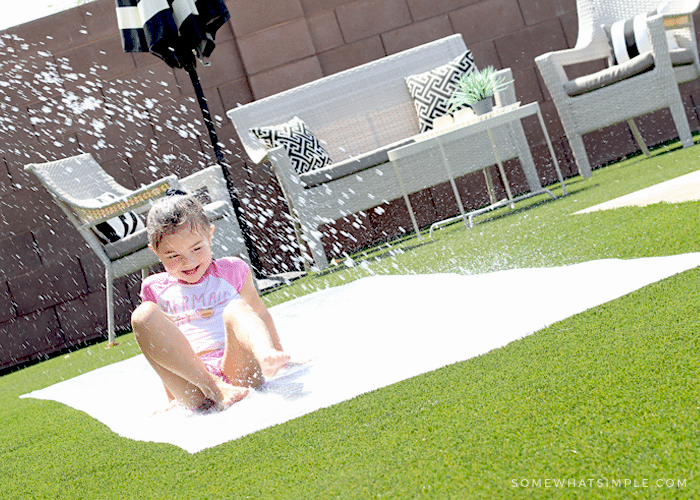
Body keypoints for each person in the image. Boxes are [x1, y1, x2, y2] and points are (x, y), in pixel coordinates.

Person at [130, 190, 290, 413]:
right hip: (195, 383)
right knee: (143, 315)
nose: (189, 261)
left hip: (238, 368)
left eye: (197, 248)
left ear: (210, 236)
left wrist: (278, 355)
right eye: (173, 256)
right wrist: (170, 397)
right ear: (155, 252)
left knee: (237, 308)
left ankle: (264, 356)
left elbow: (259, 315)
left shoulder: (232, 270)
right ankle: (214, 385)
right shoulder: (154, 288)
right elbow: (160, 348)